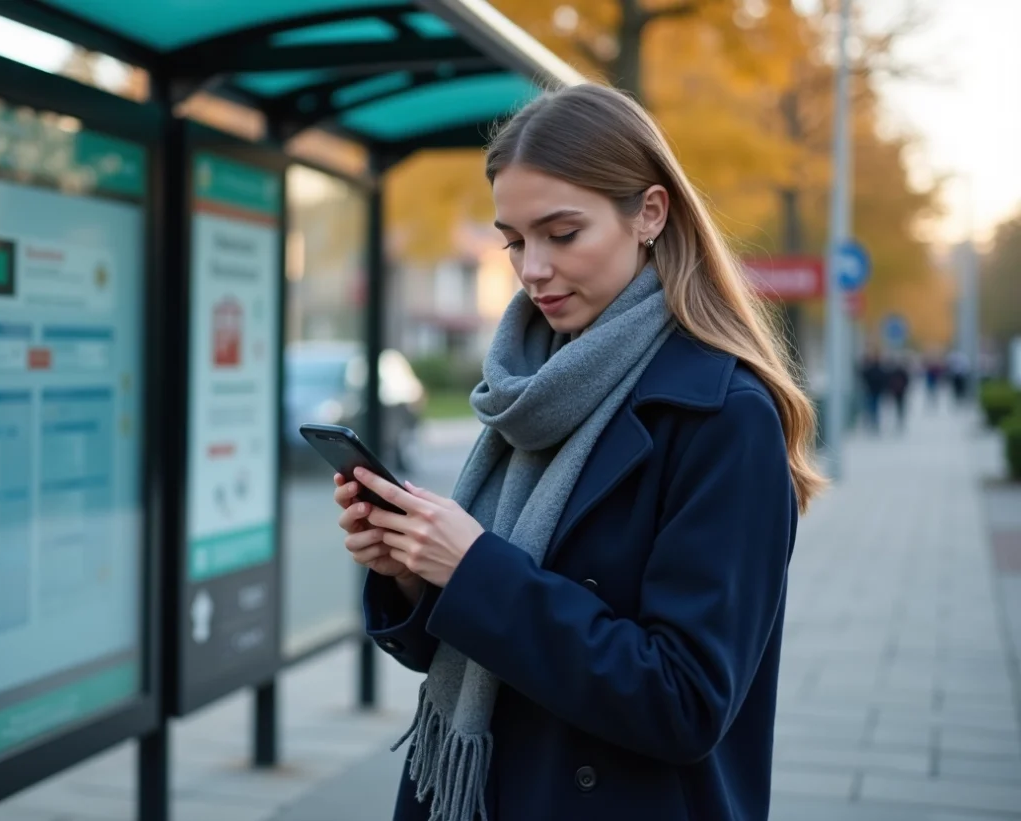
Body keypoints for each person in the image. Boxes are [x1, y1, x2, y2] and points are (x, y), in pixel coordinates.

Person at [332, 83, 826, 821]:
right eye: (514, 240)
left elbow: (685, 701)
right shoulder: (534, 386)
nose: (531, 269)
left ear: (649, 214)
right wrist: (412, 574)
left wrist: (473, 569)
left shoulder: (725, 416)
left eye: (562, 234)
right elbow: (476, 643)